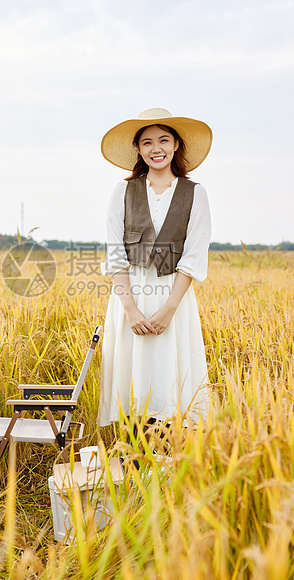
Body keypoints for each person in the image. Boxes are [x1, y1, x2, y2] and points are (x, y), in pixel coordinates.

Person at [98, 107, 212, 428]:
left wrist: (168, 310)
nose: (156, 149)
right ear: (138, 149)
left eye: (164, 140)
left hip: (172, 298)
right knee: (133, 378)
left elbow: (192, 257)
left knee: (167, 377)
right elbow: (115, 253)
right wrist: (131, 310)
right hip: (129, 297)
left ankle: (166, 460)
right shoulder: (122, 191)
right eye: (147, 142)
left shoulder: (195, 194)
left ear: (176, 145)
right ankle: (135, 459)